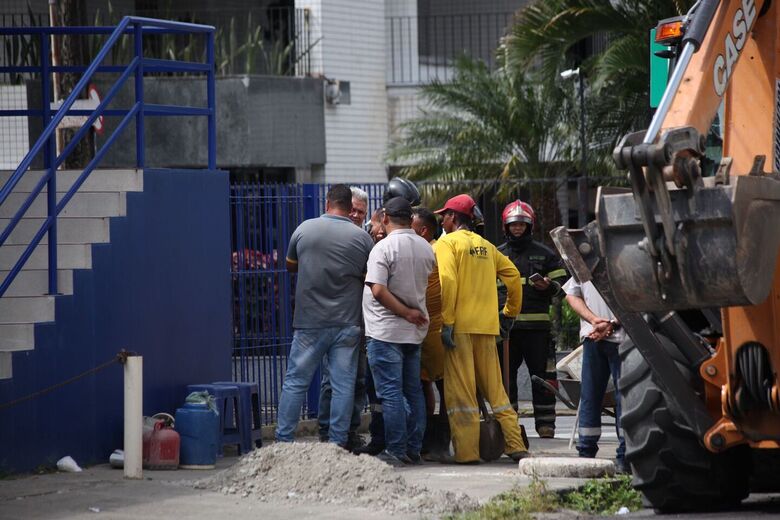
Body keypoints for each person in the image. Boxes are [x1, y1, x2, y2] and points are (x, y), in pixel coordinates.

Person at [276, 184, 374, 447]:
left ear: (327, 202)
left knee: (296, 380)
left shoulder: (304, 229)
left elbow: (290, 266)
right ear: (348, 206)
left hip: (309, 322)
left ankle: (284, 440)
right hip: (347, 324)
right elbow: (370, 277)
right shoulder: (363, 239)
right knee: (344, 385)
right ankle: (337, 442)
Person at [434, 194, 529, 463]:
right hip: (487, 329)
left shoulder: (448, 244)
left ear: (454, 217)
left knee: (461, 393)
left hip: (460, 329)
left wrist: (447, 321)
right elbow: (512, 276)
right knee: (496, 391)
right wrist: (509, 313)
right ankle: (514, 444)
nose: (442, 219)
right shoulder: (487, 247)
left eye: (445, 215)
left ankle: (467, 453)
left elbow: (448, 280)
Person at [363, 197, 434, 465]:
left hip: (386, 331)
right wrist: (412, 314)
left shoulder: (383, 248)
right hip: (413, 333)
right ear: (409, 217)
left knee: (391, 393)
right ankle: (413, 448)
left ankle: (396, 450)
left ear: (384, 219)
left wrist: (405, 312)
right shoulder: (426, 247)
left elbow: (378, 290)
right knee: (413, 391)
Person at [496, 200, 567, 438]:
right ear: (506, 227)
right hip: (507, 330)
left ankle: (546, 424)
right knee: (506, 380)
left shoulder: (545, 254)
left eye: (522, 225)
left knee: (544, 378)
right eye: (513, 225)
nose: (518, 229)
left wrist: (548, 286)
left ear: (530, 226)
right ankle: (510, 426)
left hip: (538, 330)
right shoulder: (497, 255)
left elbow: (564, 288)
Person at [317, 186, 371, 450]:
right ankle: (327, 430)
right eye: (353, 210)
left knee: (359, 379)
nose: (356, 215)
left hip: (361, 321)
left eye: (361, 212)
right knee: (332, 379)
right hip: (337, 318)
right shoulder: (331, 236)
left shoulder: (367, 238)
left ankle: (349, 430)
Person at [562, 276, 627, 473]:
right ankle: (625, 455)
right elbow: (570, 294)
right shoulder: (619, 263)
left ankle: (586, 452)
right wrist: (601, 322)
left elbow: (572, 294)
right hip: (618, 339)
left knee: (591, 396)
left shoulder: (586, 262)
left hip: (600, 337)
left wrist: (598, 322)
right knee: (624, 397)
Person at [411, 207, 450, 461]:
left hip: (433, 330)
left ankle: (438, 441)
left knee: (442, 387)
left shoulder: (434, 251)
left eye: (410, 225)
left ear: (423, 230)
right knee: (426, 385)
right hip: (427, 329)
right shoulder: (429, 249)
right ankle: (430, 441)